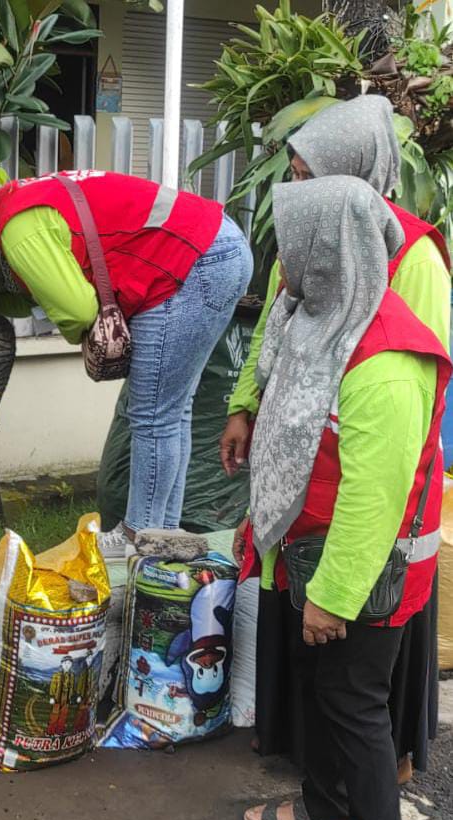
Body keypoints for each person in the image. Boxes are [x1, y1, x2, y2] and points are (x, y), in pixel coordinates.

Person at [220, 95, 451, 782]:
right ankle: (312, 762)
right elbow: (276, 333)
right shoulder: (306, 231)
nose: (293, 188)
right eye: (292, 172)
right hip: (307, 483)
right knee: (310, 639)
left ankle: (381, 769)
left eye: (305, 173)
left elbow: (414, 389)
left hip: (372, 487)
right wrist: (244, 409)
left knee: (362, 645)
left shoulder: (413, 254)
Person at [0, 170, 253, 555]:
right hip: (217, 247)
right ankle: (162, 534)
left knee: (154, 415)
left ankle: (138, 538)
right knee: (171, 412)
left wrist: (84, 333)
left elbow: (78, 308)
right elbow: (33, 294)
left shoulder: (17, 230)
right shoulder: (21, 203)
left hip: (195, 260)